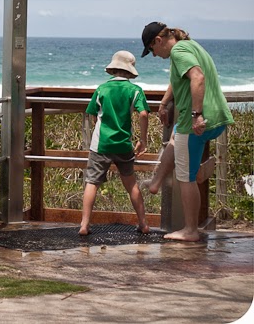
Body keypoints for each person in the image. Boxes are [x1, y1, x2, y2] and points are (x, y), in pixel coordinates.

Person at [141, 21, 234, 242]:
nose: (154, 55)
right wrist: (164, 103)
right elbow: (178, 79)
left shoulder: (179, 52)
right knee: (175, 140)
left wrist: (196, 115)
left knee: (186, 177)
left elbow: (197, 77)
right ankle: (156, 182)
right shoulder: (190, 46)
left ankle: (191, 229)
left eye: (151, 49)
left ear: (158, 41)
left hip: (196, 123)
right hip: (216, 117)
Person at [79, 50, 150, 236]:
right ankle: (143, 223)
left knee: (92, 182)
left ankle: (84, 225)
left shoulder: (102, 89)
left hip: (100, 144)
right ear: (130, 71)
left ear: (113, 69)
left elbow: (92, 113)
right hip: (124, 144)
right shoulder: (135, 90)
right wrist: (143, 139)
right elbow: (143, 113)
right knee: (131, 184)